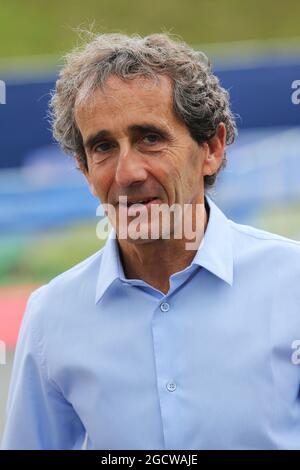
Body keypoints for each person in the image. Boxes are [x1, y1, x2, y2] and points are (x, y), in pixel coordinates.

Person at [2, 33, 300, 450]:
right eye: (103, 147)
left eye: (150, 138)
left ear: (211, 148)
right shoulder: (52, 318)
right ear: (85, 171)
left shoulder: (292, 285)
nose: (128, 173)